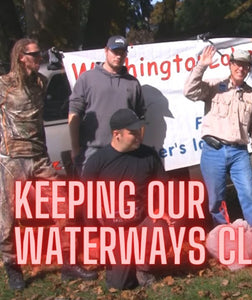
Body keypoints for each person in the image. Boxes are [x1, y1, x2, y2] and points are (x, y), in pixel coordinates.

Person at [0, 38, 96, 291]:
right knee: (7, 219)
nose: (39, 57)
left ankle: (69, 264)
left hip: (40, 159)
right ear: (21, 56)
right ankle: (12, 267)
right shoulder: (3, 85)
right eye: (35, 54)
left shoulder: (41, 83)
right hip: (12, 160)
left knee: (64, 209)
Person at [82, 108, 170, 290]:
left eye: (140, 130)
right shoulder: (97, 162)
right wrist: (93, 236)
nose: (139, 135)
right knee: (120, 284)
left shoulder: (148, 155)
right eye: (133, 132)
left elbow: (163, 187)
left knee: (164, 225)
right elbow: (86, 201)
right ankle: (118, 264)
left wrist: (162, 211)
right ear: (117, 134)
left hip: (140, 223)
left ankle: (143, 268)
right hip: (113, 229)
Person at [183, 46, 252, 228]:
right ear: (230, 65)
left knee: (249, 193)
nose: (240, 68)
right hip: (213, 151)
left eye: (245, 65)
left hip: (239, 154)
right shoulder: (214, 85)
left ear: (249, 69)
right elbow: (189, 91)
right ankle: (224, 235)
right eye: (237, 64)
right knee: (216, 199)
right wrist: (201, 66)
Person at [69, 35, 145, 175]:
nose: (118, 56)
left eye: (122, 53)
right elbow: (74, 114)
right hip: (92, 151)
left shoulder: (133, 83)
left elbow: (140, 117)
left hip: (125, 151)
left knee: (124, 195)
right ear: (106, 51)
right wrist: (75, 148)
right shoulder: (87, 78)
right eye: (115, 52)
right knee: (94, 196)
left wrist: (137, 144)